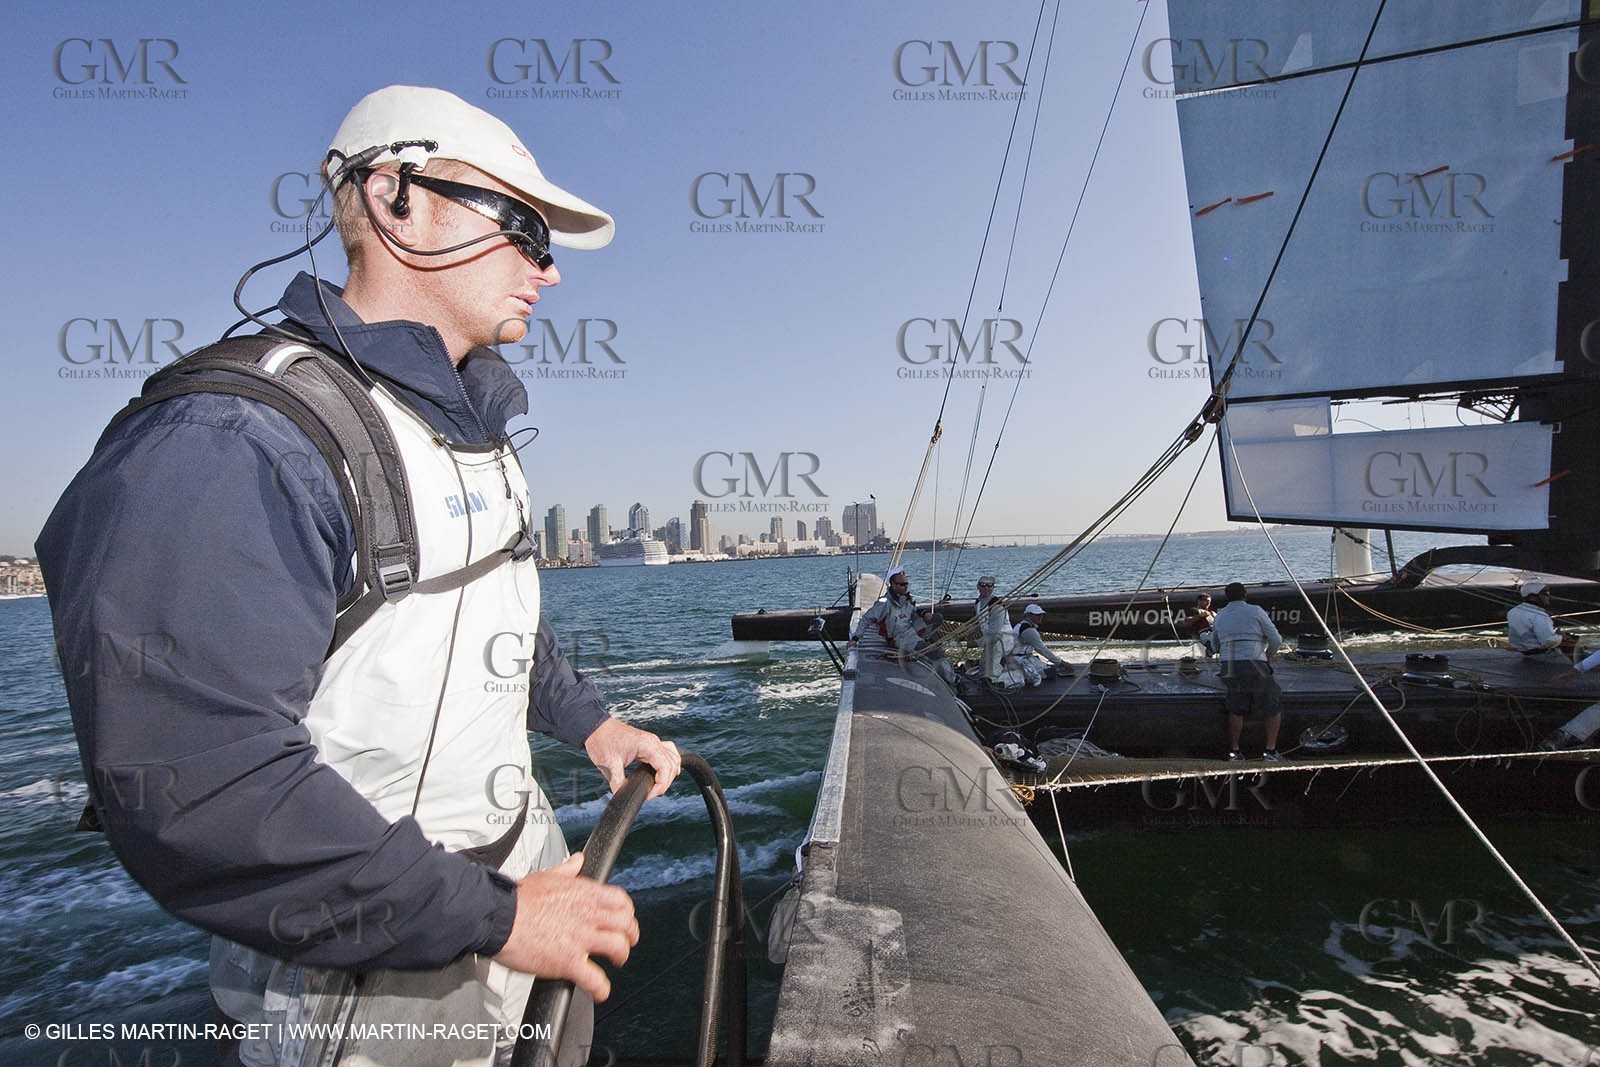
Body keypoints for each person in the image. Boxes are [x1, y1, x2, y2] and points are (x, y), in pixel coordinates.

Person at [36, 85, 681, 1067]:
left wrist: (588, 719)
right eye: (518, 223)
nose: (544, 269)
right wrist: (498, 913)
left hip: (519, 890)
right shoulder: (236, 443)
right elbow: (203, 790)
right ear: (394, 198)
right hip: (374, 971)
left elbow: (489, 614)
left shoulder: (475, 431)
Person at [1203, 582, 1285, 761]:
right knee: (1272, 706)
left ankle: (1235, 751)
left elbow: (1215, 646)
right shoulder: (1256, 611)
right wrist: (1267, 656)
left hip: (1230, 664)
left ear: (1227, 597)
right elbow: (1276, 639)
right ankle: (1270, 751)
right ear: (1245, 595)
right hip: (1255, 663)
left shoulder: (1221, 615)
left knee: (1236, 708)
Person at [853, 566, 957, 686]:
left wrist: (924, 614)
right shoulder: (884, 604)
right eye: (901, 584)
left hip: (912, 631)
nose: (905, 587)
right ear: (893, 585)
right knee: (935, 653)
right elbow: (866, 619)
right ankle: (952, 680)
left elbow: (913, 612)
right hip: (901, 638)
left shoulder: (906, 600)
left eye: (906, 584)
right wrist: (855, 638)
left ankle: (931, 643)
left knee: (937, 618)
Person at [1506, 581, 1573, 656]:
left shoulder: (1513, 611)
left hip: (1523, 653)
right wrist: (1561, 637)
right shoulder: (1540, 616)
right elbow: (1548, 642)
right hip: (1540, 655)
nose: (1549, 597)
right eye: (1545, 593)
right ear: (1533, 597)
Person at [1014, 604, 1073, 677]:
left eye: (1041, 615)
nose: (1040, 617)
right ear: (1029, 615)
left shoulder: (1020, 625)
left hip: (1019, 657)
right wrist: (1062, 663)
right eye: (1037, 615)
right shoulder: (1028, 630)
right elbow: (1042, 649)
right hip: (1019, 660)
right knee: (1050, 672)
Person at [973, 575, 1012, 681]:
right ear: (978, 586)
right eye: (983, 585)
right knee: (983, 668)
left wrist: (976, 643)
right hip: (990, 641)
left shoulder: (997, 606)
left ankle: (1006, 682)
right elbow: (982, 623)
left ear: (993, 587)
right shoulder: (978, 603)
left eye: (990, 586)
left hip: (1002, 640)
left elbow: (994, 633)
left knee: (991, 673)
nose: (986, 588)